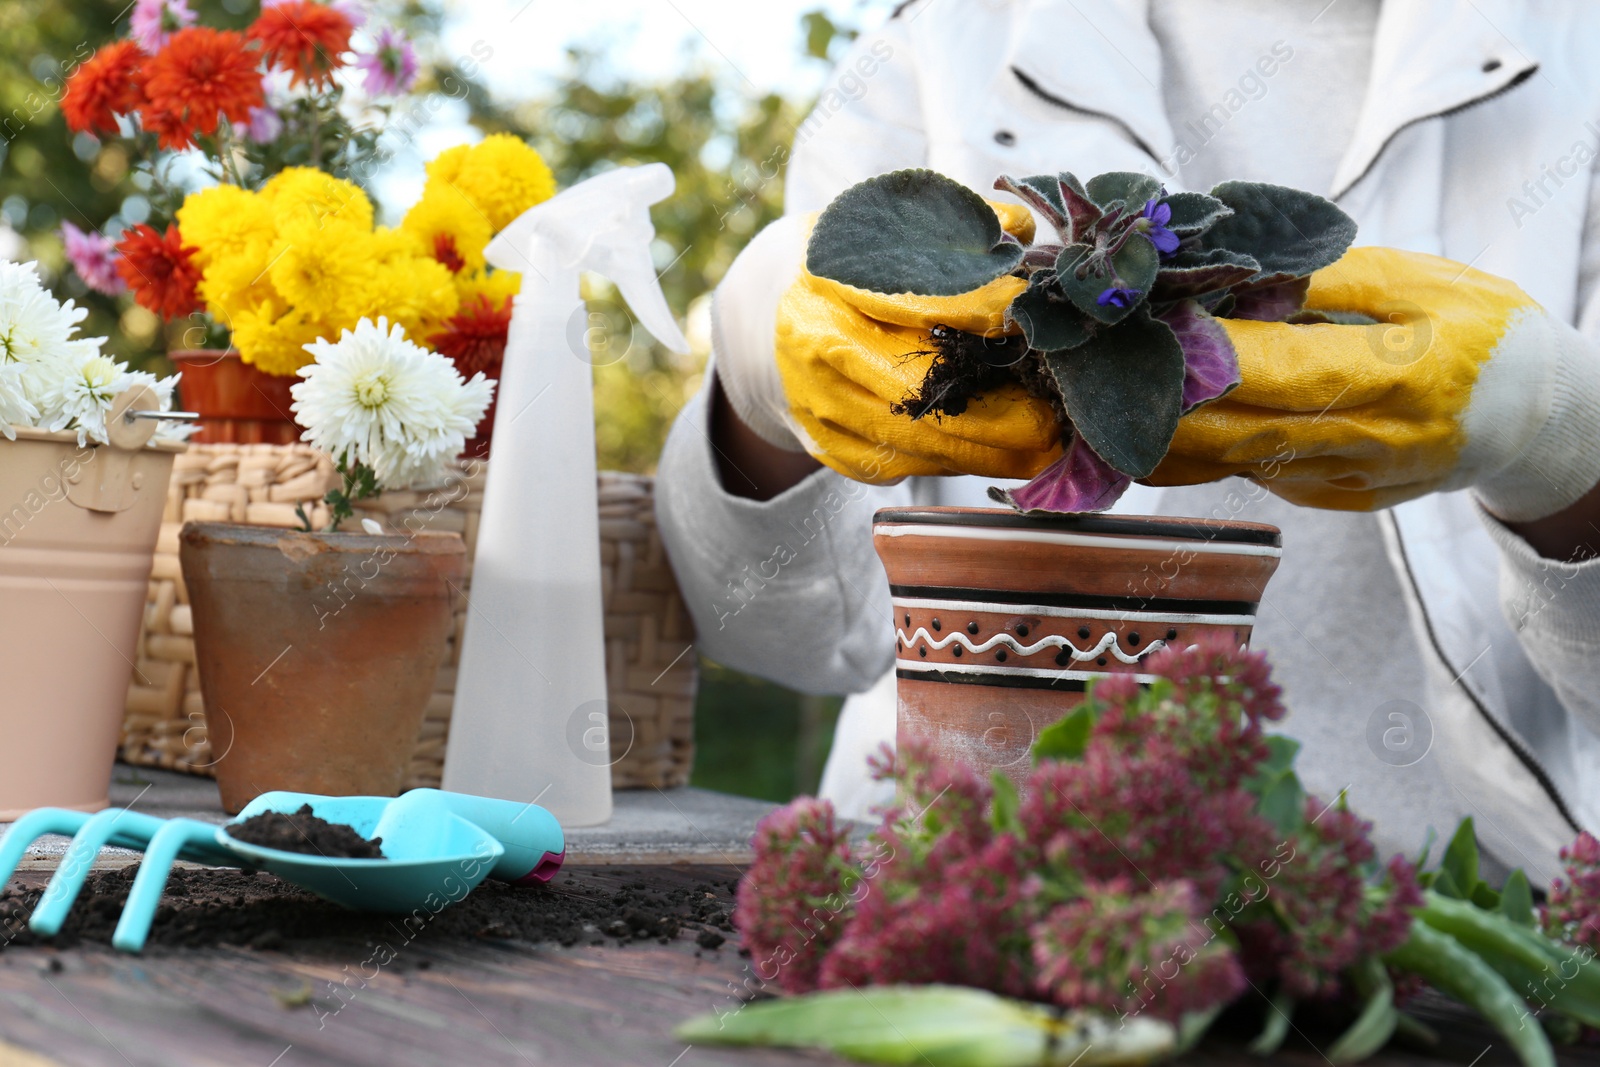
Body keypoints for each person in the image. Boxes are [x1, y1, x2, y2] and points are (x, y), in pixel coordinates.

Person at [654, 0, 1600, 884]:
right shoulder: (955, 33)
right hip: (964, 890)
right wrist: (756, 366)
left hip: (1428, 919)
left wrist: (1567, 440)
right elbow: (777, 634)